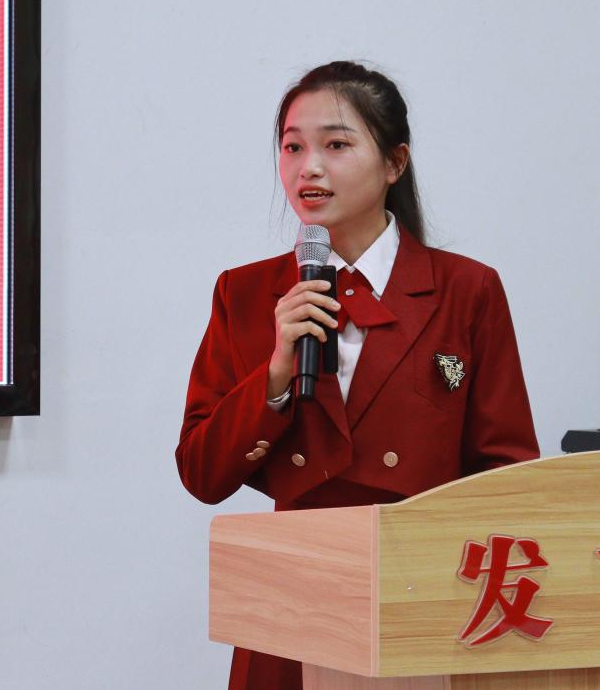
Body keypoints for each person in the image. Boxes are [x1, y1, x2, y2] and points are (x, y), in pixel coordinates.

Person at [175, 60, 539, 690]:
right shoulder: (245, 293)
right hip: (293, 601)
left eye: (336, 145)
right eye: (293, 147)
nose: (308, 168)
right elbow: (202, 473)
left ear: (395, 163)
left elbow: (507, 474)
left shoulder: (466, 289)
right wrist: (276, 373)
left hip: (418, 599)